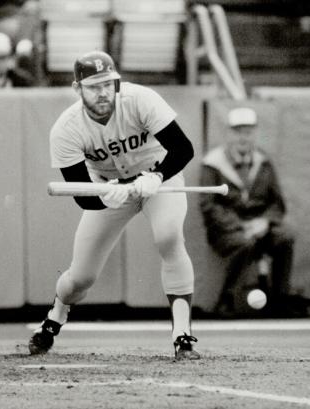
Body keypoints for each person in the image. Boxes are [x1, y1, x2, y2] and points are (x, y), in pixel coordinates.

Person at [28, 50, 200, 360]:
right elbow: (80, 193)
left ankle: (182, 334)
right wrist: (106, 194)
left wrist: (158, 176)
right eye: (94, 86)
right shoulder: (66, 128)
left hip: (158, 177)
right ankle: (55, 316)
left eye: (108, 84)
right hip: (106, 187)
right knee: (81, 276)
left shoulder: (141, 100)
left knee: (169, 236)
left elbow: (183, 149)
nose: (103, 92)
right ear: (77, 89)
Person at [200, 106, 297, 318]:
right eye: (238, 131)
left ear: (255, 134)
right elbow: (208, 205)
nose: (243, 137)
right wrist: (240, 226)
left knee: (285, 236)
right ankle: (226, 300)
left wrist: (264, 222)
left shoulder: (263, 162)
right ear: (228, 134)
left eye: (248, 132)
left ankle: (280, 299)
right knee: (244, 242)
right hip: (227, 230)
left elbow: (277, 203)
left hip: (260, 226)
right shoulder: (213, 164)